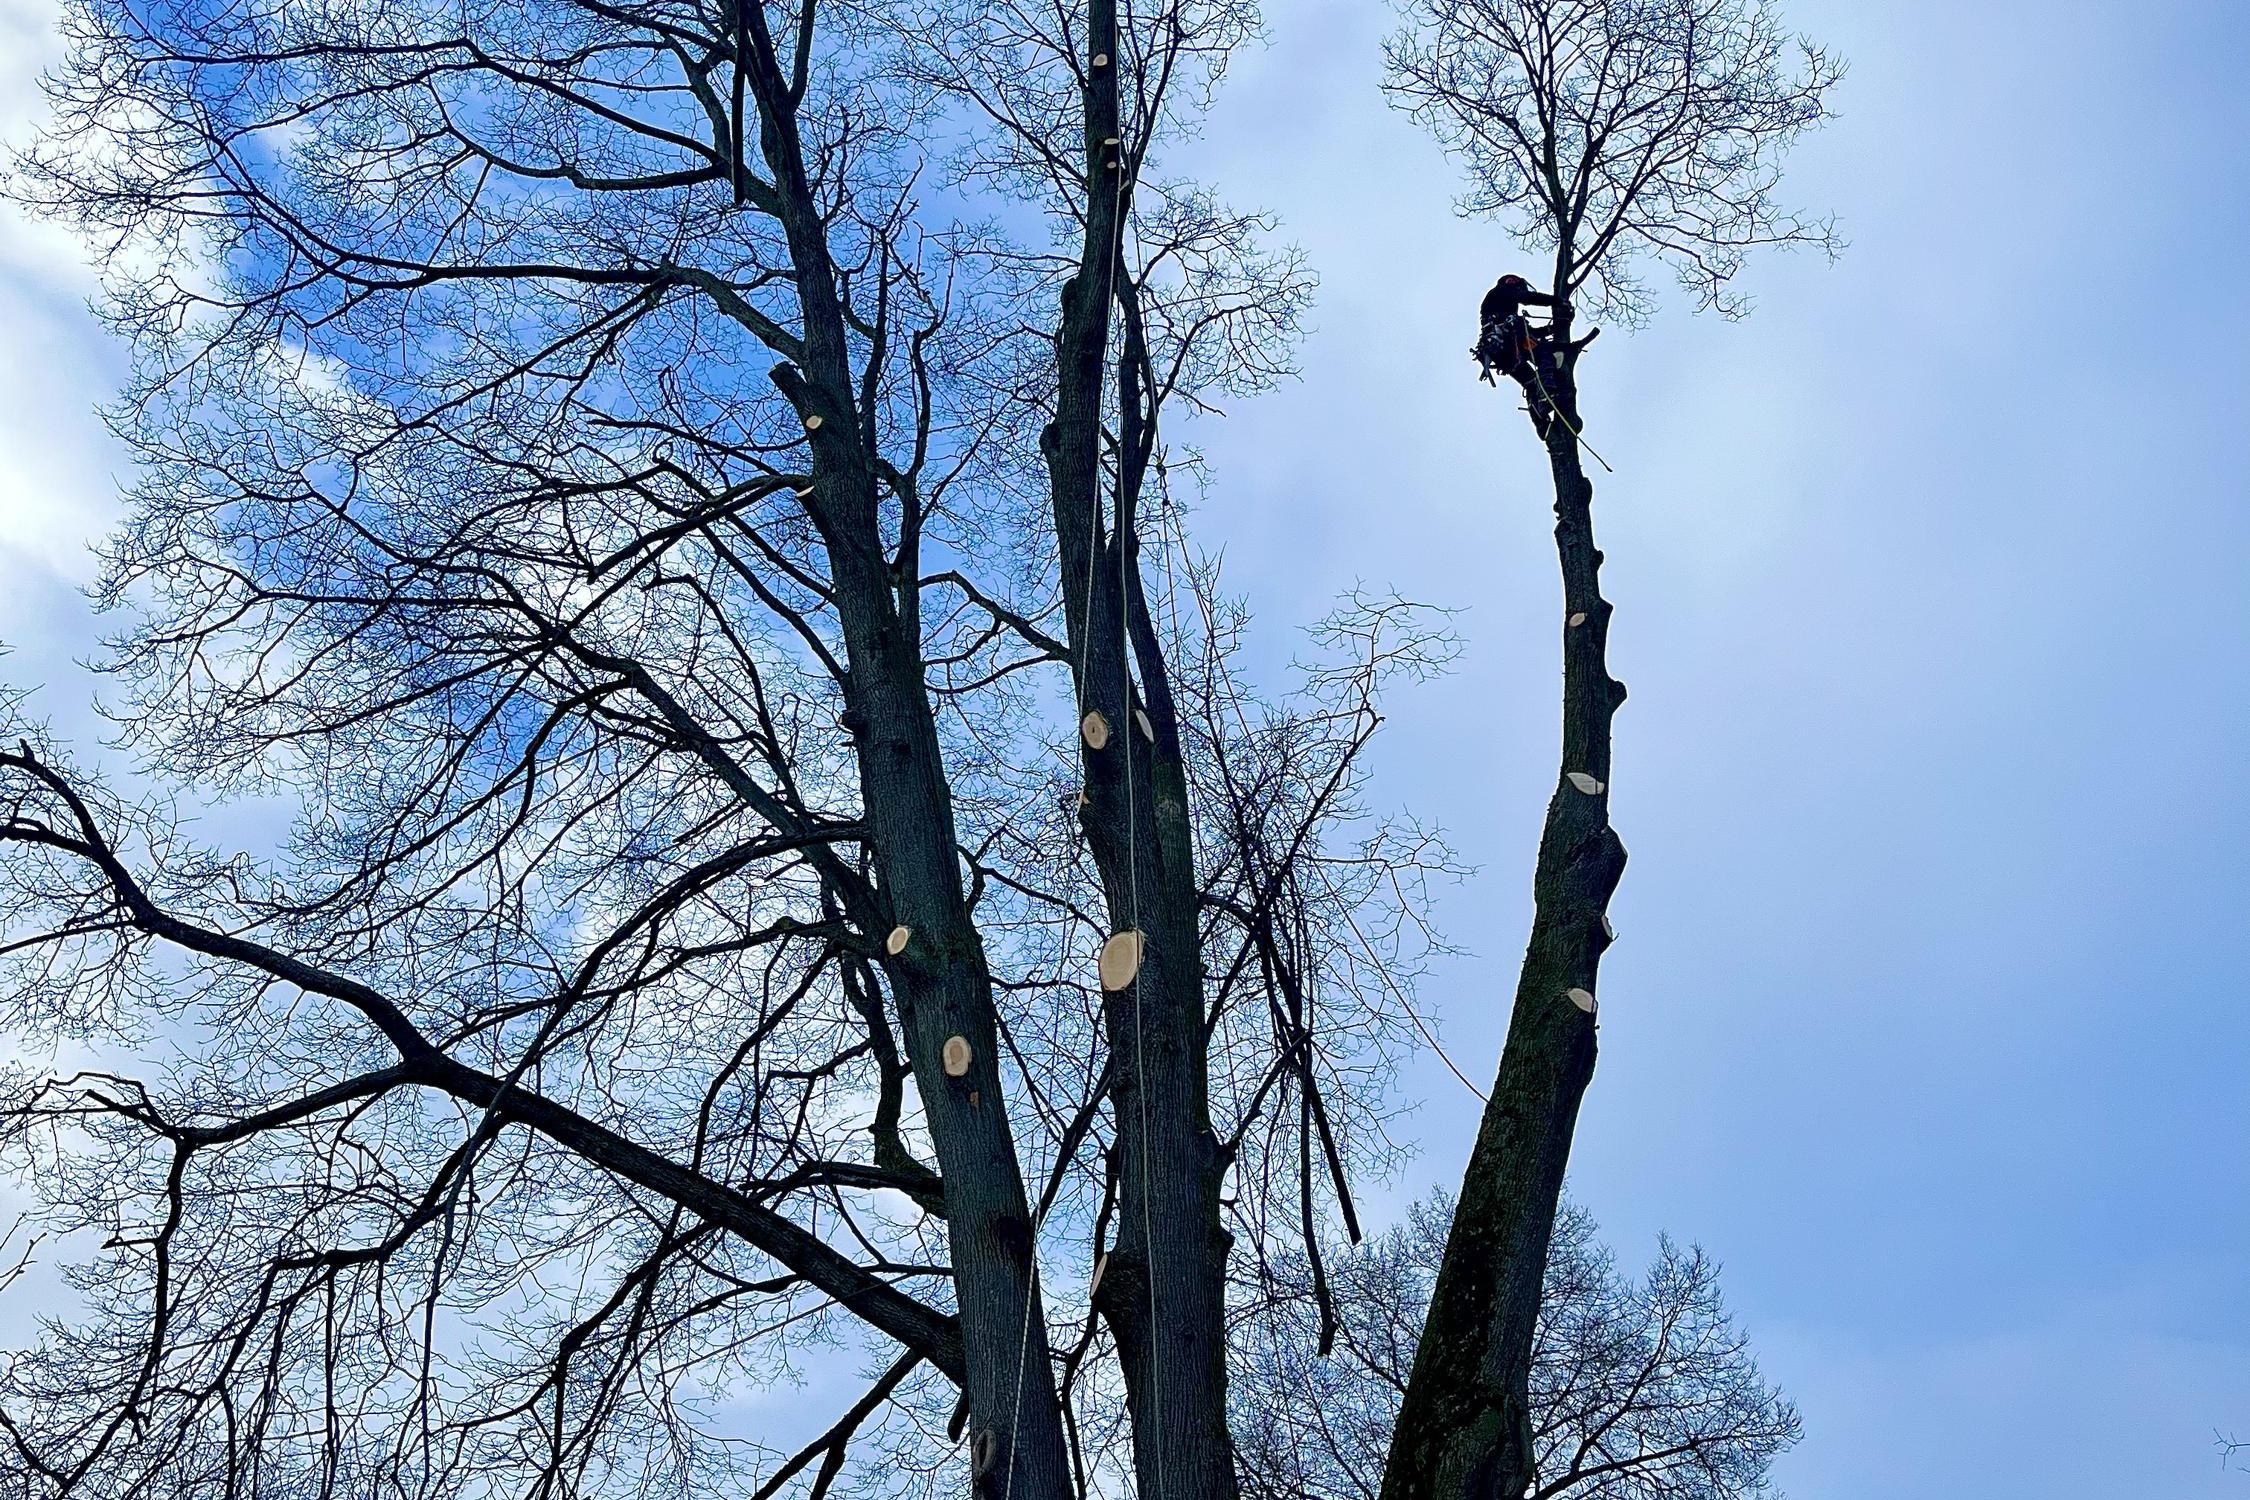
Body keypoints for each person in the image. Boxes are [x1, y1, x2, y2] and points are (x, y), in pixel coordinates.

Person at [1474, 273, 1563, 385]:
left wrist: (1551, 329)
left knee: (1531, 382)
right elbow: (1529, 298)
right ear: (1511, 282)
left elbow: (1529, 333)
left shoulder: (1505, 316)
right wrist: (1558, 301)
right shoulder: (1502, 291)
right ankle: (1549, 389)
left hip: (1503, 352)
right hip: (1508, 343)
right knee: (1544, 353)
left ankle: (1539, 400)